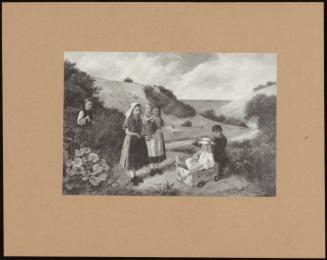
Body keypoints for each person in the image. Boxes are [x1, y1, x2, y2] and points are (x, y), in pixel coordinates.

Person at [119, 103, 148, 185]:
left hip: (138, 142)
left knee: (136, 160)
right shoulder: (129, 119)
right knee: (131, 161)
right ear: (132, 111)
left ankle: (135, 177)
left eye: (139, 110)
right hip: (130, 142)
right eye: (136, 110)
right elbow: (126, 131)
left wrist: (143, 133)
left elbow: (142, 129)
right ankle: (132, 179)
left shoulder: (139, 120)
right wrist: (136, 134)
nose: (138, 112)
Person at [149, 106, 167, 175]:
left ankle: (157, 168)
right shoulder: (150, 119)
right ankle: (152, 169)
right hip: (152, 138)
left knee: (158, 152)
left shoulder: (160, 119)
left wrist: (162, 130)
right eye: (154, 111)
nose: (155, 112)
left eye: (157, 111)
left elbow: (163, 126)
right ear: (152, 111)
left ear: (159, 112)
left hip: (159, 137)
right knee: (152, 152)